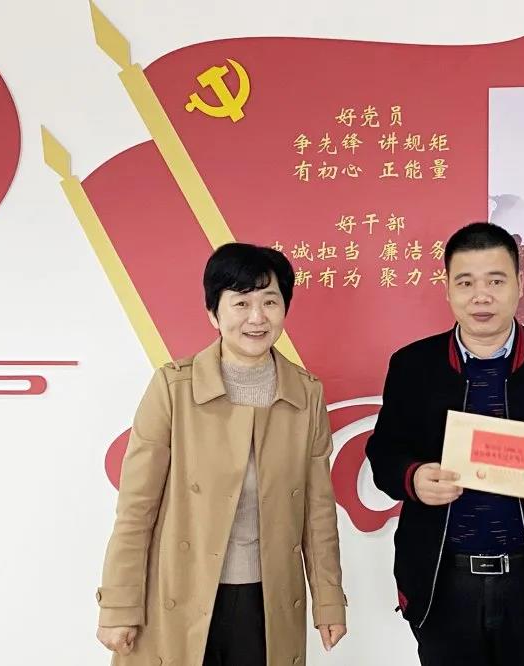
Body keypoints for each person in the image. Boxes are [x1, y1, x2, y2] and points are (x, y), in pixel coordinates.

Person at [366, 222, 524, 666]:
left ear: (519, 285)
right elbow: (384, 453)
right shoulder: (412, 366)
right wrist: (413, 477)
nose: (481, 296)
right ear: (447, 288)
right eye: (466, 283)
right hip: (443, 583)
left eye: (496, 281)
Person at [96, 243, 347, 665]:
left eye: (270, 301)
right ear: (213, 312)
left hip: (266, 600)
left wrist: (329, 600)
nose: (257, 317)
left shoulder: (306, 394)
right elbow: (136, 507)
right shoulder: (174, 388)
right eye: (241, 302)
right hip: (179, 594)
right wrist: (119, 604)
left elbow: (318, 510)